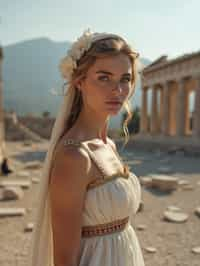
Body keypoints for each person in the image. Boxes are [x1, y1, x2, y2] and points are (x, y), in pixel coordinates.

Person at [28, 29, 145, 266]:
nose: (118, 90)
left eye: (125, 78)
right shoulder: (74, 156)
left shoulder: (108, 143)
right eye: (104, 77)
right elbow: (64, 259)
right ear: (79, 82)